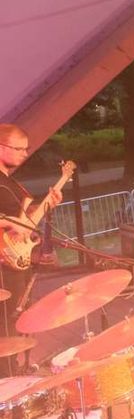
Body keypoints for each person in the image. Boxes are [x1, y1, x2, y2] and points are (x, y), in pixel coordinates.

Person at [0, 125, 63, 367]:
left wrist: (47, 206)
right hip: (3, 270)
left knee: (12, 333)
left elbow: (25, 222)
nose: (24, 154)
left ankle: (11, 379)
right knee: (4, 333)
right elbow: (13, 224)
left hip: (16, 267)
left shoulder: (10, 183)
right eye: (19, 149)